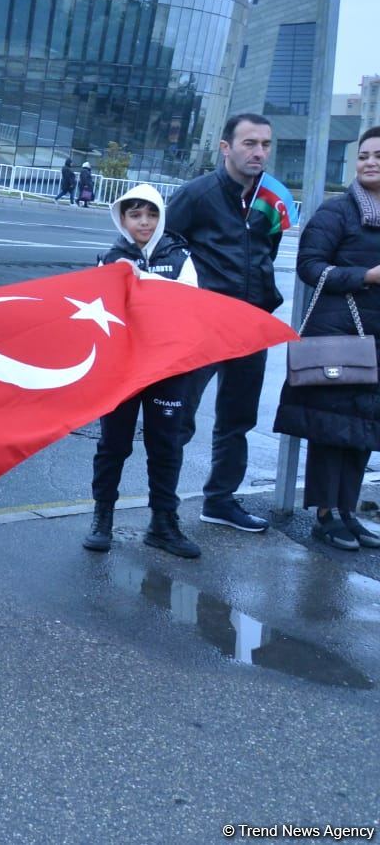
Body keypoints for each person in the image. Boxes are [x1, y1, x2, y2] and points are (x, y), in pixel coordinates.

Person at [165, 113, 280, 534]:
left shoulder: (271, 197)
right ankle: (165, 509)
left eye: (266, 144)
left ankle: (220, 501)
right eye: (250, 143)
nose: (259, 152)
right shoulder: (197, 194)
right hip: (203, 326)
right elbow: (165, 246)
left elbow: (267, 249)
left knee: (238, 419)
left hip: (251, 324)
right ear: (226, 147)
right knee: (179, 418)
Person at [272, 126, 380, 552]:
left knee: (365, 428)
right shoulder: (338, 212)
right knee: (332, 427)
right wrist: (364, 277)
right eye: (364, 156)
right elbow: (310, 266)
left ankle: (348, 512)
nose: (370, 162)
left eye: (378, 155)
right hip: (339, 334)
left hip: (376, 338)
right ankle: (324, 514)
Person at [84, 184, 202, 558]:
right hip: (122, 368)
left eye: (151, 214)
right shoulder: (111, 258)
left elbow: (191, 306)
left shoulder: (179, 256)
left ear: (161, 217)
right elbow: (99, 312)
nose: (144, 222)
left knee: (166, 444)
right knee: (113, 445)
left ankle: (163, 522)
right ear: (122, 219)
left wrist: (148, 284)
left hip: (169, 367)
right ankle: (103, 515)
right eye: (135, 215)